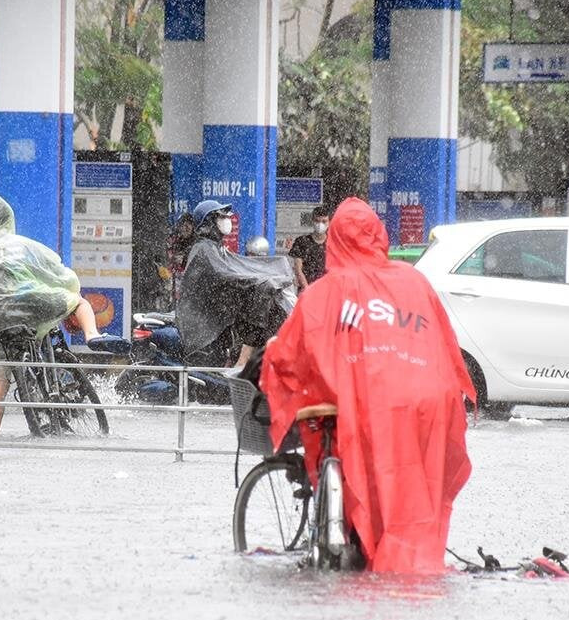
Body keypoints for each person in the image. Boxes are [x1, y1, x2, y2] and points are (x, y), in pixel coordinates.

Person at [258, 197, 477, 575]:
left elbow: (294, 352)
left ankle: (364, 532)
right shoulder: (414, 281)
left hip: (371, 403)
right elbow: (445, 347)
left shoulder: (326, 291)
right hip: (428, 402)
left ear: (335, 241)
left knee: (350, 442)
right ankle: (407, 543)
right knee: (412, 480)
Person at [0, 193, 127, 435]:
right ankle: (92, 336)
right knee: (78, 302)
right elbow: (60, 273)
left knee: (1, 369)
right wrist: (66, 287)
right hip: (23, 306)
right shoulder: (20, 245)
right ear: (8, 221)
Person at [177, 200, 296, 370]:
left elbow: (240, 266)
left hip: (218, 312)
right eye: (222, 217)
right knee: (261, 294)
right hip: (202, 318)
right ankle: (243, 360)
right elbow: (227, 274)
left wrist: (273, 270)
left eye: (227, 216)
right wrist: (259, 281)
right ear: (209, 221)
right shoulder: (203, 248)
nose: (227, 220)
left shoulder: (216, 248)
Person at [288, 204, 329, 290]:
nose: (320, 224)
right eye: (317, 221)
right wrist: (307, 290)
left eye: (324, 221)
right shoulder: (302, 241)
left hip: (328, 290)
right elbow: (298, 269)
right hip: (306, 289)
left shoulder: (333, 243)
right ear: (312, 221)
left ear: (329, 222)